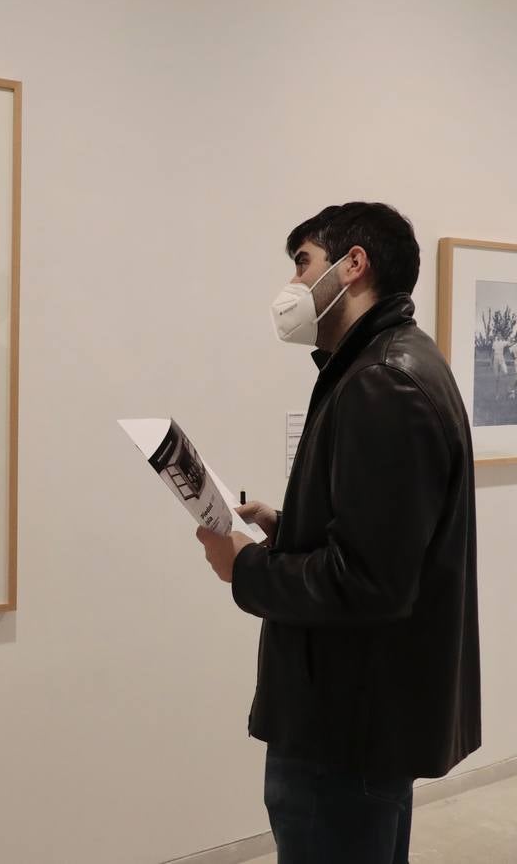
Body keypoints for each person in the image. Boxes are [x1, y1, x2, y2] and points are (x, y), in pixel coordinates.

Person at [195, 202, 480, 863]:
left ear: (353, 265)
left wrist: (244, 567)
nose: (291, 287)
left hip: (345, 723)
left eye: (302, 263)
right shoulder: (383, 365)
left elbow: (370, 582)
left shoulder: (383, 381)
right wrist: (286, 527)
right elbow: (382, 534)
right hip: (360, 714)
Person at [489, 333, 509, 397]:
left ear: (501, 336)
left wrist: (516, 340)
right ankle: (497, 394)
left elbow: (510, 343)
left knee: (506, 373)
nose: (499, 336)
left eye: (500, 335)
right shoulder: (494, 343)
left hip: (501, 358)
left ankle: (507, 392)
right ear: (497, 336)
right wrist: (490, 362)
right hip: (495, 359)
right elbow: (492, 353)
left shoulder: (503, 342)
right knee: (497, 378)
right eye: (498, 335)